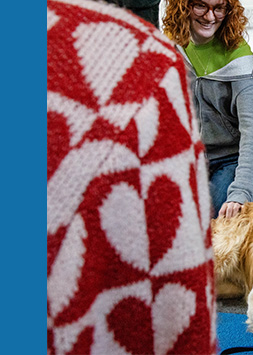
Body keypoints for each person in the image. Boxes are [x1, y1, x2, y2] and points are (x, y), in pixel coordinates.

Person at [48, 0, 216, 353]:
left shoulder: (235, 62)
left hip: (211, 156)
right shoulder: (146, 61)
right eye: (202, 6)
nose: (210, 16)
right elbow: (179, 309)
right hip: (164, 143)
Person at [163, 0, 253, 219]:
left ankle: (250, 196)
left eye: (219, 8)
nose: (210, 17)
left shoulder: (239, 56)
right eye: (200, 6)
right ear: (183, 7)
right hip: (195, 158)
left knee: (209, 216)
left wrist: (240, 190)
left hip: (235, 156)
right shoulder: (171, 49)